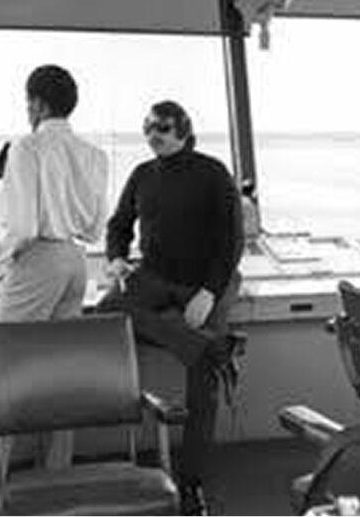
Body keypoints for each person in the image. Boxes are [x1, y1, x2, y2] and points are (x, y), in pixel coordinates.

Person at [98, 100, 244, 515]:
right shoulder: (142, 175)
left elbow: (231, 240)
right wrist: (114, 258)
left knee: (202, 380)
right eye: (147, 127)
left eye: (161, 127)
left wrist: (210, 293)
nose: (153, 134)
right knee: (104, 315)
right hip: (155, 278)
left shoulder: (213, 173)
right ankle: (208, 347)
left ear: (184, 129)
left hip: (204, 283)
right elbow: (118, 225)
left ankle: (192, 482)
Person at [0, 64, 108, 473]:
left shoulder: (26, 148)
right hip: (74, 262)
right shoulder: (93, 154)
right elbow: (95, 226)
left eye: (27, 101)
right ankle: (55, 479)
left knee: (2, 374)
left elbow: (23, 227)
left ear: (37, 103)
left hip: (39, 263)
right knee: (57, 376)